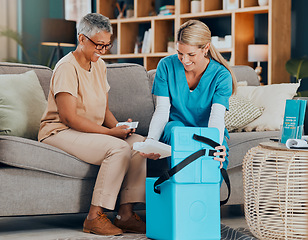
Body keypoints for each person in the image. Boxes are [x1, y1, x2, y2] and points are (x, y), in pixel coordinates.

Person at [38, 13, 146, 236]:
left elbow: (103, 110)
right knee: (118, 148)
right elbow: (69, 118)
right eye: (99, 44)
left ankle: (125, 215)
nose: (103, 50)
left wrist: (120, 128)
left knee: (139, 145)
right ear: (82, 39)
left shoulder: (100, 65)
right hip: (59, 131)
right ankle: (94, 217)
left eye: (107, 45)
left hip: (87, 131)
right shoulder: (66, 67)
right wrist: (111, 134)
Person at [141, 20, 237, 172]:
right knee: (176, 130)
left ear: (206, 48)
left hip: (207, 133)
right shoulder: (166, 66)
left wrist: (215, 147)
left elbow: (217, 117)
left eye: (191, 54)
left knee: (211, 170)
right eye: (180, 53)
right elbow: (162, 110)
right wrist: (151, 141)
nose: (184, 60)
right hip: (176, 133)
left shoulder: (221, 75)